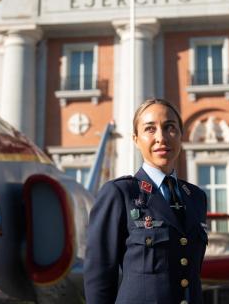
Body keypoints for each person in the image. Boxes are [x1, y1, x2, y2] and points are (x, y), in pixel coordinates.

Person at [84, 98, 208, 304]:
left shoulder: (195, 197)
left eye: (170, 128)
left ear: (180, 135)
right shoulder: (120, 193)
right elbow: (99, 274)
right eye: (150, 129)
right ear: (136, 139)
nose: (161, 137)